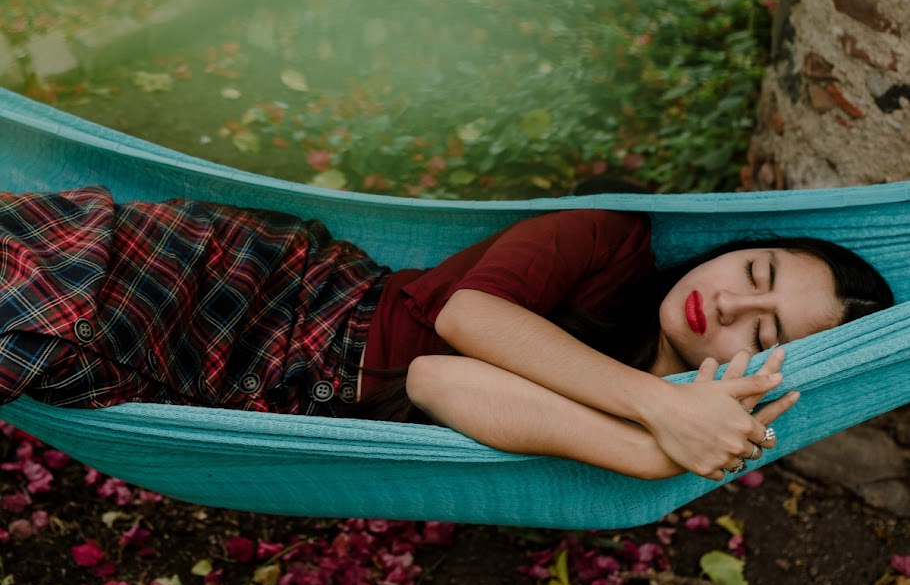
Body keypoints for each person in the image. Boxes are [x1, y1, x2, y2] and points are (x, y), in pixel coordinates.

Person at [0, 187, 893, 483]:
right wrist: (662, 409)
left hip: (235, 386)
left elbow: (441, 385)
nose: (730, 305)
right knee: (28, 300)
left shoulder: (662, 427)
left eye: (764, 328)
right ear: (742, 244)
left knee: (44, 349)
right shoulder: (607, 239)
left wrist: (660, 448)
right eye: (757, 272)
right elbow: (461, 328)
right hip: (254, 290)